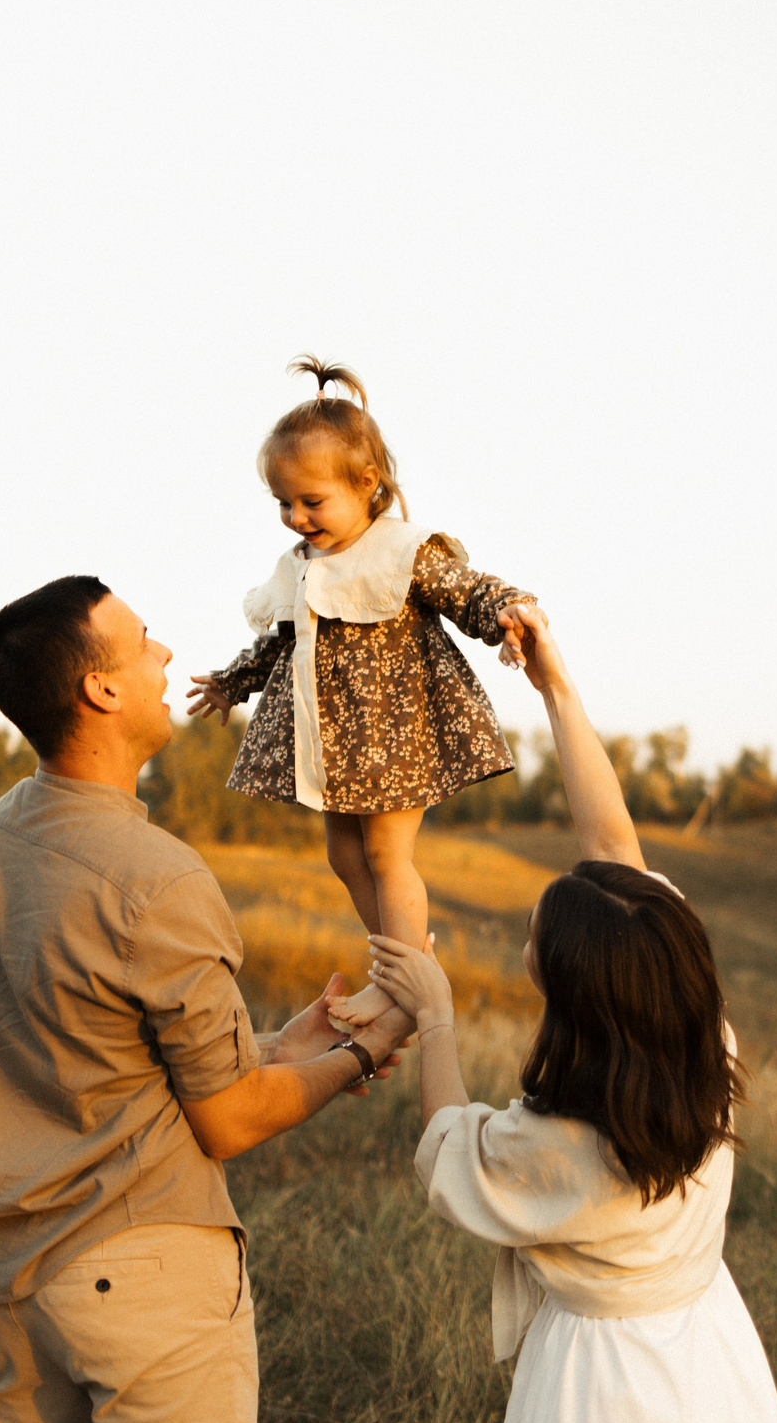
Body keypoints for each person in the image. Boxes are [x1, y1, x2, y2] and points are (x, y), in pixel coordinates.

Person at [0, 574, 415, 1423]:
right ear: (100, 692)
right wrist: (363, 1055)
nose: (164, 657)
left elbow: (106, 1048)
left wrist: (291, 1041)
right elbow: (230, 1120)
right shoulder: (156, 875)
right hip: (140, 1272)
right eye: (142, 642)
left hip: (5, 1271)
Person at [362, 604, 777, 1423]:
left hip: (604, 1392)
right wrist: (555, 688)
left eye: (535, 939)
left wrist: (434, 1016)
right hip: (711, 1356)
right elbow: (612, 844)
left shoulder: (559, 1144)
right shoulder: (705, 1046)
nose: (529, 941)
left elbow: (448, 1157)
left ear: (572, 991)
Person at [185, 356, 535, 1032]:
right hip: (332, 744)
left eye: (311, 501)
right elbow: (281, 644)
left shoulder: (400, 550)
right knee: (343, 856)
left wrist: (508, 614)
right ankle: (412, 964)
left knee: (385, 856)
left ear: (366, 483)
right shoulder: (302, 567)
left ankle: (399, 982)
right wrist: (233, 682)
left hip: (393, 732)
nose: (295, 517)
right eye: (284, 503)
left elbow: (468, 591)